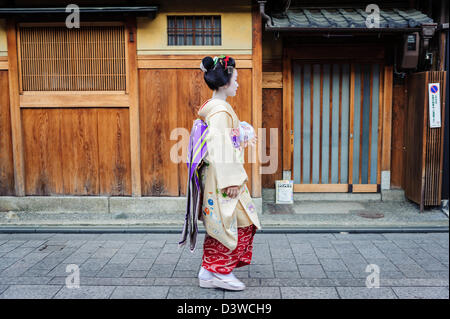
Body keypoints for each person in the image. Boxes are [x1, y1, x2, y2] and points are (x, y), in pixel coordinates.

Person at [196, 55, 262, 291]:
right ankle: (219, 272)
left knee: (220, 222)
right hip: (224, 178)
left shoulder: (216, 109)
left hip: (217, 175)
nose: (238, 83)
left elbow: (224, 139)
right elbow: (220, 145)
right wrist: (231, 180)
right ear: (224, 82)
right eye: (236, 79)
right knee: (237, 223)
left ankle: (208, 271)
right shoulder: (220, 111)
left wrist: (241, 131)